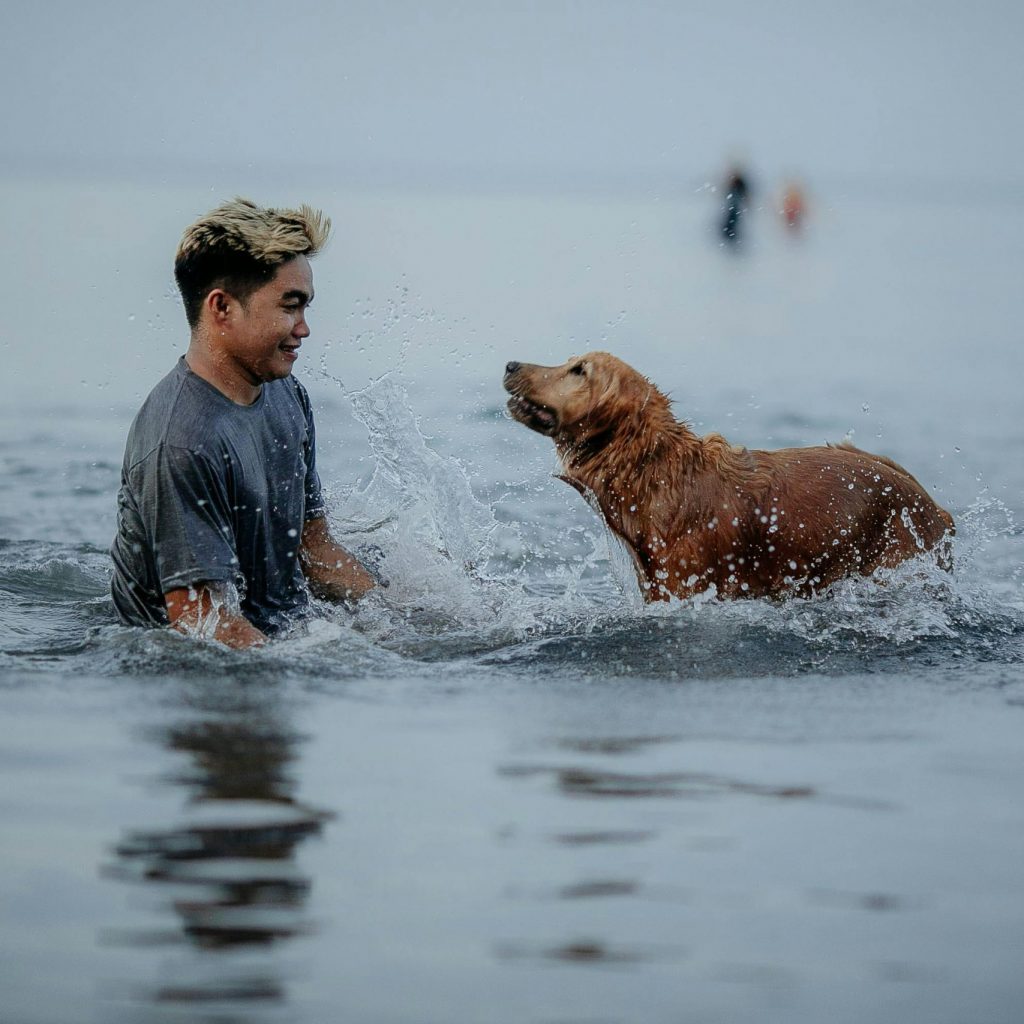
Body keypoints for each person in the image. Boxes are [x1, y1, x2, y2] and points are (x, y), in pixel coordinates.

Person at [110, 197, 377, 649]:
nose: (304, 328)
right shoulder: (182, 444)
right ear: (222, 308)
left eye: (306, 306)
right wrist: (317, 671)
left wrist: (413, 621)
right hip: (193, 677)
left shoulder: (284, 393)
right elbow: (204, 623)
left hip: (278, 631)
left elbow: (315, 552)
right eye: (290, 306)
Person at [720, 165, 750, 244]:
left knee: (733, 220)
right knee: (732, 220)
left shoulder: (737, 181)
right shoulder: (735, 181)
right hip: (733, 206)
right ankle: (729, 235)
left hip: (735, 206)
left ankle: (730, 235)